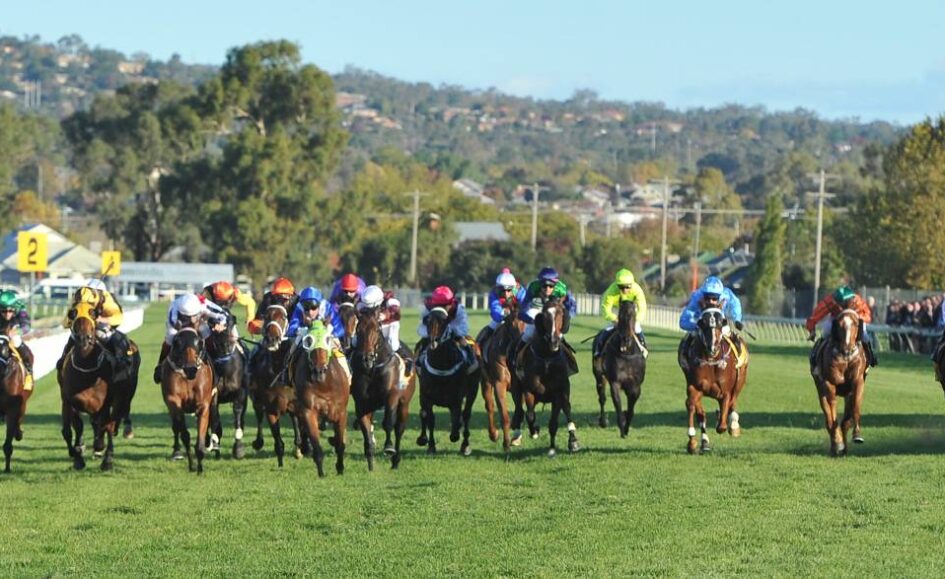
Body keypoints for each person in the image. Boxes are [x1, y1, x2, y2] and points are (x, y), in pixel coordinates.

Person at [60, 279, 133, 378]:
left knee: (119, 339)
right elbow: (66, 322)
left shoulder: (107, 300)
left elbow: (118, 318)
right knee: (74, 337)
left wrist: (102, 319)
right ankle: (63, 360)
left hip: (104, 324)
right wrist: (73, 320)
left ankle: (122, 362)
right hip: (86, 326)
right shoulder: (79, 298)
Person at [512, 266, 578, 376]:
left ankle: (570, 363)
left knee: (559, 336)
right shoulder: (533, 287)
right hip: (537, 309)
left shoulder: (562, 289)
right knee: (528, 333)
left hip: (554, 311)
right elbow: (524, 307)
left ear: (555, 284)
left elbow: (572, 307)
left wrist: (566, 317)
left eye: (551, 285)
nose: (547, 288)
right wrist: (529, 319)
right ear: (540, 283)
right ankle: (517, 361)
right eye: (544, 285)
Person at [153, 293, 228, 383]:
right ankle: (160, 366)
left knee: (206, 332)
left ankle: (215, 361)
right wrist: (189, 325)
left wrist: (221, 324)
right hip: (179, 324)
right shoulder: (174, 308)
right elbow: (173, 324)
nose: (191, 318)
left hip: (199, 321)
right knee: (170, 338)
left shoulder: (203, 304)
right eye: (188, 316)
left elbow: (224, 314)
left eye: (193, 315)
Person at [807, 285, 876, 368]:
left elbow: (868, 316)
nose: (842, 306)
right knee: (826, 332)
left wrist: (856, 317)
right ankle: (815, 355)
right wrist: (812, 329)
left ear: (851, 299)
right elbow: (816, 314)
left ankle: (871, 357)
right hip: (836, 318)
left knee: (865, 336)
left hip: (855, 318)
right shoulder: (830, 300)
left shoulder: (857, 300)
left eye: (844, 303)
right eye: (840, 303)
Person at [678, 276, 744, 359]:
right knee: (692, 334)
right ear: (703, 295)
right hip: (701, 320)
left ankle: (738, 356)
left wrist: (737, 319)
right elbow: (684, 320)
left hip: (719, 320)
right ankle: (684, 355)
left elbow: (735, 305)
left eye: (714, 298)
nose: (711, 301)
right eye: (707, 298)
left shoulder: (726, 294)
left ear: (720, 296)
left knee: (727, 331)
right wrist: (696, 326)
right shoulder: (697, 296)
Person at [417, 285, 477, 372]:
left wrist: (450, 331)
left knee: (464, 341)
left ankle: (471, 359)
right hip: (434, 331)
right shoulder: (427, 308)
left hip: (453, 328)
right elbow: (421, 328)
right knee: (421, 344)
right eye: (437, 305)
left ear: (451, 303)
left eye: (444, 305)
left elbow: (464, 327)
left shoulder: (458, 308)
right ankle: (418, 362)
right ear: (433, 303)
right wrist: (431, 332)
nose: (441, 308)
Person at [357, 284, 413, 377]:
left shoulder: (390, 301)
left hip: (389, 324)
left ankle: (406, 359)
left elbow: (396, 314)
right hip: (372, 326)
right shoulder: (362, 302)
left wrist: (385, 315)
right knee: (355, 341)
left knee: (392, 343)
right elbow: (358, 311)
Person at [594, 268, 648, 358]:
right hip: (617, 311)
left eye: (627, 287)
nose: (624, 290)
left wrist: (635, 321)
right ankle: (598, 350)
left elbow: (642, 307)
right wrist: (613, 319)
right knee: (607, 330)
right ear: (617, 285)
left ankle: (643, 347)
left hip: (631, 313)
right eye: (621, 287)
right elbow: (605, 308)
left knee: (637, 329)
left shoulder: (637, 290)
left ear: (632, 284)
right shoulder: (611, 291)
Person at [475, 268, 527, 349]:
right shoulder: (494, 293)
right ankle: (479, 347)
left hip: (519, 315)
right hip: (503, 315)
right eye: (503, 290)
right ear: (498, 288)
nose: (506, 294)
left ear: (513, 287)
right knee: (492, 326)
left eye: (509, 290)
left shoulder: (519, 290)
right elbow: (495, 311)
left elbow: (526, 304)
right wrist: (504, 314)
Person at [201, 280, 257, 348]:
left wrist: (250, 319)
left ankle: (242, 350)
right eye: (221, 301)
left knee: (235, 337)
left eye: (226, 301)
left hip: (225, 314)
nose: (225, 303)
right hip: (210, 313)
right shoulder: (207, 293)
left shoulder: (236, 293)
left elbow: (250, 302)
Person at [0, 289, 33, 390]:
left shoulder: (21, 309)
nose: (7, 314)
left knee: (16, 341)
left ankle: (28, 371)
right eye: (4, 311)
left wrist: (17, 332)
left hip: (14, 329)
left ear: (15, 309)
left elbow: (27, 326)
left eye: (10, 311)